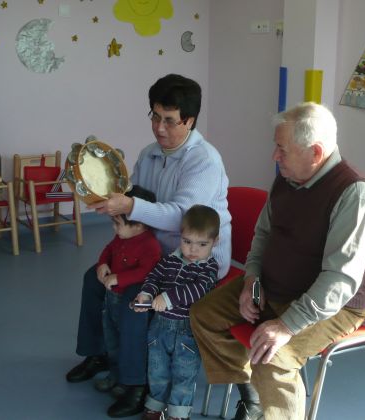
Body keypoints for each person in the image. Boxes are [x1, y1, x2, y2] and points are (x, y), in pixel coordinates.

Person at [190, 102, 365, 420]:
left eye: (282, 149)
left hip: (333, 304)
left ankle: (273, 403)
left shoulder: (353, 195)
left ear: (315, 153)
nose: (275, 157)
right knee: (203, 316)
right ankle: (252, 398)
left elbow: (339, 282)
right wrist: (251, 279)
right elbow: (263, 235)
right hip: (276, 285)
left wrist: (286, 325)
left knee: (272, 358)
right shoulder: (289, 177)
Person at [65, 73, 231, 419]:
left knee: (133, 299)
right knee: (92, 279)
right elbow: (134, 198)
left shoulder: (205, 160)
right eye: (154, 116)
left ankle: (136, 383)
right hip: (152, 251)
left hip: (191, 260)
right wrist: (110, 203)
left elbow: (185, 218)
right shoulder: (148, 154)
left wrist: (128, 207)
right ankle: (98, 354)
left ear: (189, 120)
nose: (159, 127)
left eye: (169, 120)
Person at [134, 205, 220, 420]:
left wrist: (168, 298)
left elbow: (199, 290)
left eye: (202, 244)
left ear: (215, 242)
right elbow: (154, 278)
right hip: (159, 327)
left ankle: (177, 414)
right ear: (180, 237)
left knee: (184, 375)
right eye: (187, 242)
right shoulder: (170, 260)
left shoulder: (209, 268)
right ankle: (155, 406)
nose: (192, 250)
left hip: (187, 332)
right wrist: (146, 294)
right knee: (157, 371)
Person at [93, 186, 162, 394]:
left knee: (126, 342)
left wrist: (119, 277)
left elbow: (146, 272)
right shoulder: (121, 237)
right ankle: (113, 374)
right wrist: (102, 263)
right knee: (111, 340)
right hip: (110, 301)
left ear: (139, 225)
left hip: (125, 301)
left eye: (117, 223)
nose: (114, 228)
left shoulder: (150, 245)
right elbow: (108, 250)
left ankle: (127, 380)